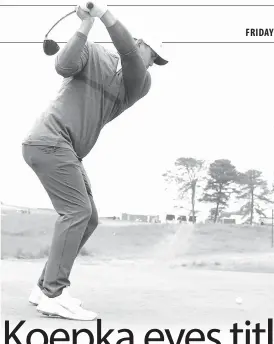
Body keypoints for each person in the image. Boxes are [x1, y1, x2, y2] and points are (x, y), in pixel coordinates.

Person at [22, 3, 168, 321]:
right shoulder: (94, 53)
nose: (152, 63)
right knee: (77, 212)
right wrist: (86, 24)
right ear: (141, 42)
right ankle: (54, 294)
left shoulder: (139, 84)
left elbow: (129, 56)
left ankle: (44, 287)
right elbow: (63, 65)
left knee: (89, 218)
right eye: (153, 55)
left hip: (65, 149)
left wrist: (104, 14)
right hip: (49, 140)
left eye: (157, 61)